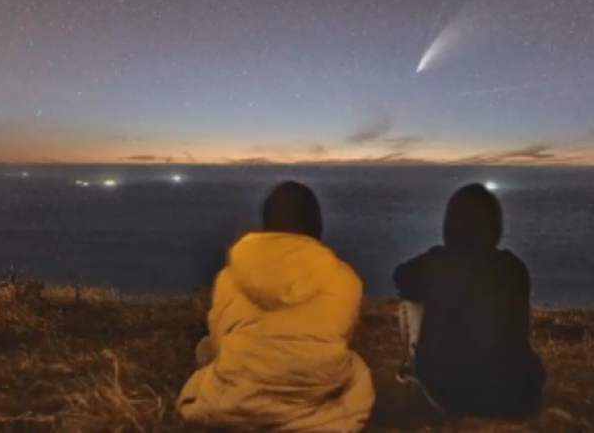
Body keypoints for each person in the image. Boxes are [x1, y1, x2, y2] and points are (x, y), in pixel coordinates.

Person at [177, 181, 374, 433]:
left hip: (237, 401)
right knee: (355, 367)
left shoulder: (230, 276)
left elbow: (219, 341)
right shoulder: (345, 278)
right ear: (316, 225)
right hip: (313, 396)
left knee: (206, 349)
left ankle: (245, 412)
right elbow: (342, 335)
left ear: (266, 225)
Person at [393, 183, 546, 419]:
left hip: (451, 393)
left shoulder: (438, 263)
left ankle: (412, 370)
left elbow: (400, 277)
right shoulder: (514, 267)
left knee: (409, 300)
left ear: (449, 225)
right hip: (514, 394)